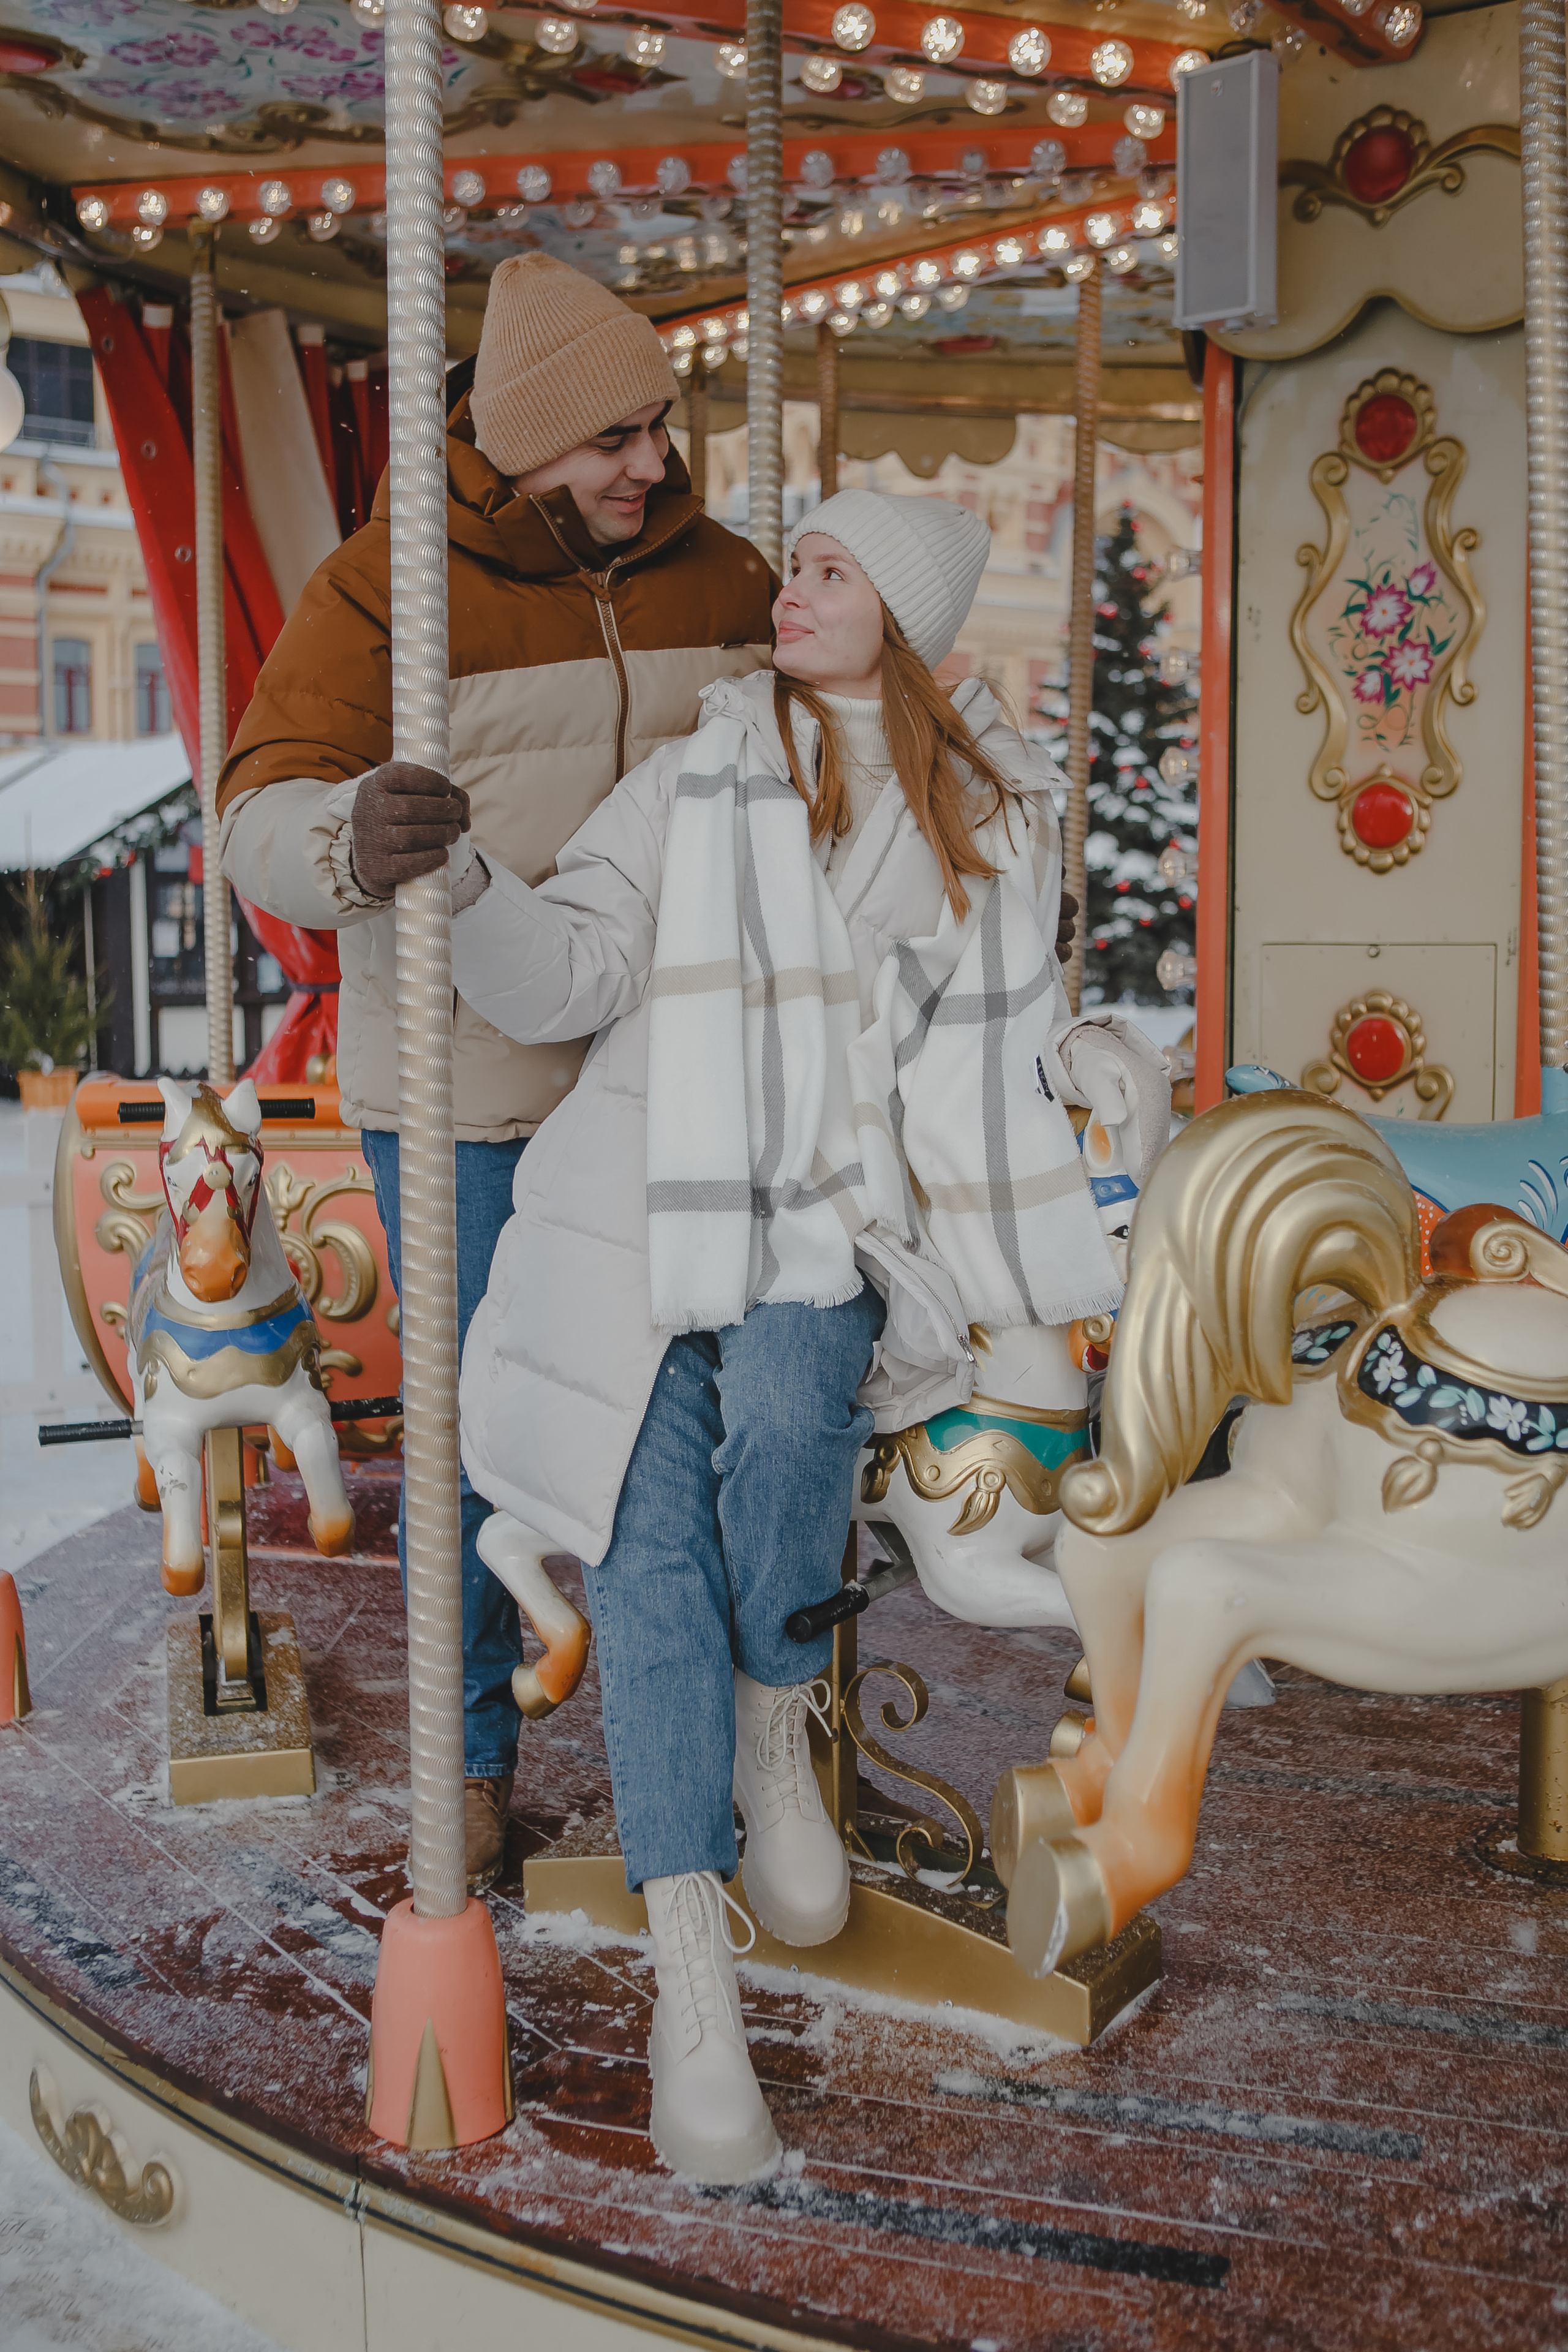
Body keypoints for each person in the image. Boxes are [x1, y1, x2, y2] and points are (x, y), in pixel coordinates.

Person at [446, 489, 1136, 2184]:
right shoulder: (697, 772)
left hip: (827, 1229)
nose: (788, 587)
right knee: (645, 1560)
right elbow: (570, 971)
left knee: (788, 1408)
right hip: (644, 1217)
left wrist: (1077, 1168)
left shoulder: (974, 816)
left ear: (899, 619)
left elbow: (990, 1068)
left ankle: (776, 1730)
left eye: (826, 571)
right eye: (799, 562)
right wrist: (462, 877)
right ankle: (698, 1969)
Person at [217, 255, 776, 1892]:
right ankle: (467, 1758)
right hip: (472, 1090)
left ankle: (738, 1752)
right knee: (487, 1439)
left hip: (678, 1093)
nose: (648, 465)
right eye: (610, 436)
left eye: (658, 427)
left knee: (706, 1435)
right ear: (520, 438)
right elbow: (258, 795)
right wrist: (343, 838)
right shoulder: (386, 590)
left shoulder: (718, 575)